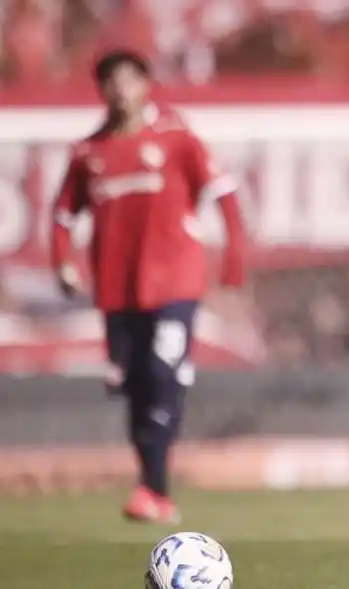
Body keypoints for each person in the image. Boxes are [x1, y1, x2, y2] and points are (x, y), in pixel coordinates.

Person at [50, 49, 246, 524]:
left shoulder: (177, 138)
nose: (121, 90)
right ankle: (155, 488)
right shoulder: (89, 152)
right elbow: (61, 216)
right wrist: (63, 263)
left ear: (145, 84)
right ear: (102, 90)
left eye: (129, 79)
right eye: (111, 81)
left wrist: (234, 262)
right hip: (118, 291)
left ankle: (151, 489)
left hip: (176, 283)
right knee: (136, 387)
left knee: (163, 373)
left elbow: (225, 195)